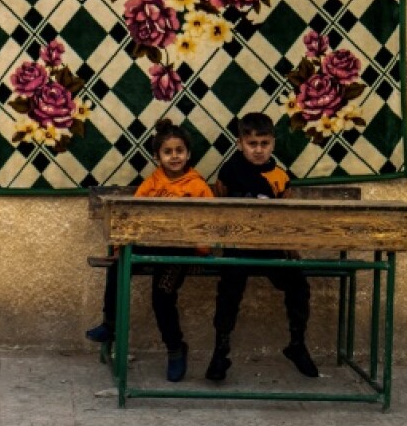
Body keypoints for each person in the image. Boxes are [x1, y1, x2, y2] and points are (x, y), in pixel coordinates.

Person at [85, 119, 213, 382]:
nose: (174, 156)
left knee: (162, 295)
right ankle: (110, 324)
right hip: (151, 244)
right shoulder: (151, 185)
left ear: (188, 153)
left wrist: (201, 249)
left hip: (182, 252)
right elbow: (129, 219)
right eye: (168, 152)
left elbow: (209, 221)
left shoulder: (197, 186)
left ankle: (176, 349)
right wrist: (121, 247)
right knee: (117, 267)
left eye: (179, 151)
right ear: (157, 156)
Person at [205, 112, 319, 381]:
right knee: (229, 292)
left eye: (264, 144)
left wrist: (291, 247)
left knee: (298, 285)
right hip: (238, 247)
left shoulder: (279, 176)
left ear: (273, 144)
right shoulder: (229, 171)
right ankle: (220, 352)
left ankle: (297, 344)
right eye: (252, 144)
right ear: (240, 143)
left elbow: (288, 215)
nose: (258, 150)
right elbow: (217, 207)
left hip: (271, 247)